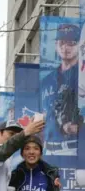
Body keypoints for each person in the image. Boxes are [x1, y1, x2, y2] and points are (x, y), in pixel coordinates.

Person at [41, 24, 83, 155]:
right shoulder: (47, 80)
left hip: (73, 149)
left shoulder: (82, 75)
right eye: (62, 43)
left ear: (79, 45)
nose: (66, 47)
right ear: (56, 46)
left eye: (71, 43)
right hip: (48, 150)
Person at [0, 119, 44, 191]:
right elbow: (5, 150)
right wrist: (25, 132)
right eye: (11, 133)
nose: (14, 137)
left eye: (16, 135)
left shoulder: (6, 159)